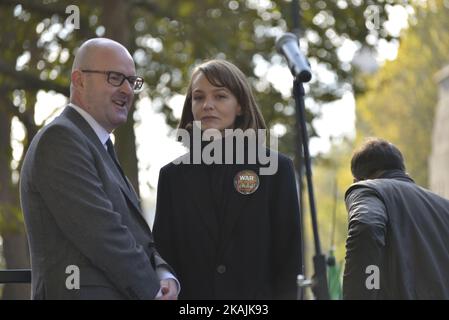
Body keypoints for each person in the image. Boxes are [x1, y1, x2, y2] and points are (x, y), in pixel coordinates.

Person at [20, 38, 178, 300]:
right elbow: (104, 235)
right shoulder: (61, 138)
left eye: (132, 81)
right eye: (115, 78)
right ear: (79, 80)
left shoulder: (100, 145)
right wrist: (153, 292)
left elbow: (134, 232)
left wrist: (163, 274)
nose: (127, 90)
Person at [153, 59, 302, 300]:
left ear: (240, 106)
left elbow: (289, 261)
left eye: (220, 96)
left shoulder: (276, 170)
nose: (207, 105)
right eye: (198, 97)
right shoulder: (172, 177)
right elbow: (164, 256)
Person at [343, 137, 449, 299]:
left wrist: (366, 289)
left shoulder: (368, 189)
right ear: (403, 171)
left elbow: (366, 226)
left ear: (357, 180)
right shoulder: (444, 206)